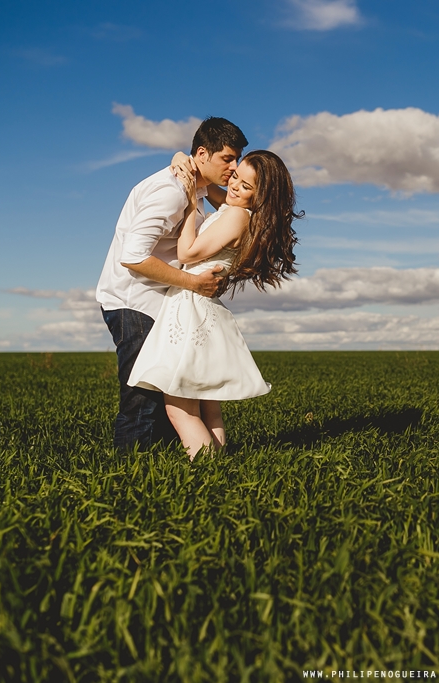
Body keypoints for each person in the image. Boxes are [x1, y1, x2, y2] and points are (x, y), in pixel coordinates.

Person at [128, 150, 301, 460]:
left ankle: (207, 473)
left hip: (190, 308)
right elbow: (211, 187)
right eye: (235, 176)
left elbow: (188, 253)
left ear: (260, 196)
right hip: (203, 310)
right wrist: (184, 158)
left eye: (246, 186)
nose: (234, 186)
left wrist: (192, 204)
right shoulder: (242, 213)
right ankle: (220, 465)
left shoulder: (236, 215)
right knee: (209, 408)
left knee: (179, 409)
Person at [96, 117, 248, 452]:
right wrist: (194, 282)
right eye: (228, 159)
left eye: (237, 159)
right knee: (142, 398)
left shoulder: (198, 187)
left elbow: (239, 205)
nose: (234, 168)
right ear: (204, 154)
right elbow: (133, 256)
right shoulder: (171, 193)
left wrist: (182, 158)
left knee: (170, 393)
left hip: (160, 301)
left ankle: (168, 472)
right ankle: (126, 477)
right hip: (133, 301)